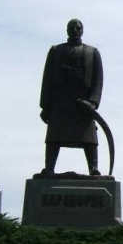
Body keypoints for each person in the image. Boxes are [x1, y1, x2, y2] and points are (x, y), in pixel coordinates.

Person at [40, 19, 104, 175]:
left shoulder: (92, 52)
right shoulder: (56, 51)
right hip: (60, 101)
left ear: (82, 30)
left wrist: (93, 102)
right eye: (72, 28)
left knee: (89, 137)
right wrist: (45, 106)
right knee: (54, 136)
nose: (75, 30)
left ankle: (93, 168)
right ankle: (49, 168)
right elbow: (47, 78)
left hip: (82, 103)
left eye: (78, 28)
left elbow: (98, 80)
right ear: (67, 30)